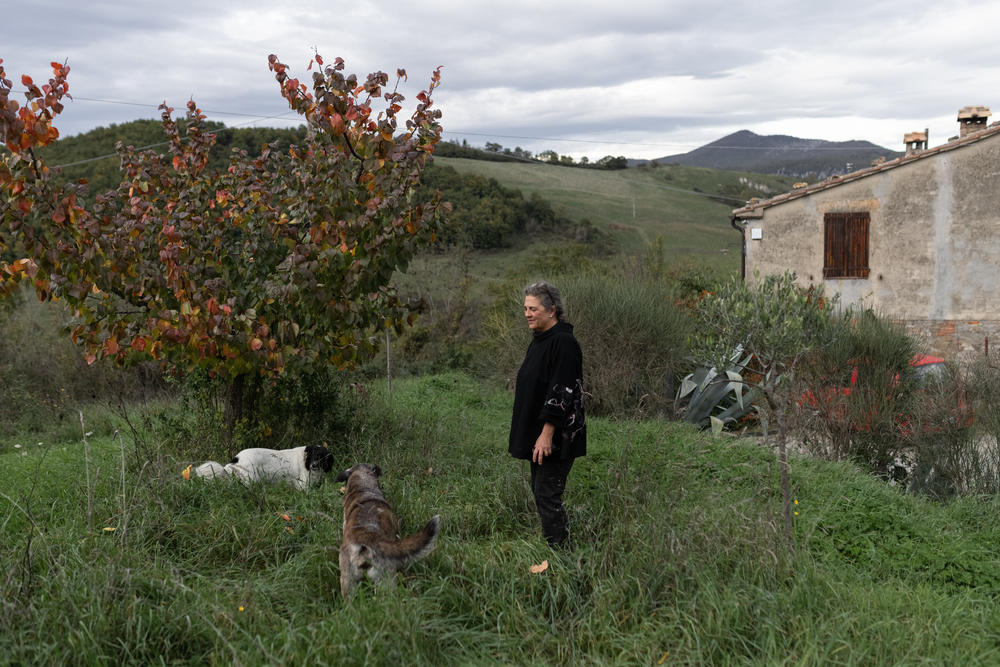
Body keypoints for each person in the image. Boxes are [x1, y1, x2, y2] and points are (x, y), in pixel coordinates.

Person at [509, 281, 586, 548]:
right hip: (540, 436)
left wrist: (546, 435)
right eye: (525, 308)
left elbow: (562, 392)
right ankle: (555, 548)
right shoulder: (541, 341)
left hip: (555, 438)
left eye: (533, 309)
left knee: (547, 494)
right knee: (541, 492)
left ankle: (561, 553)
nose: (527, 314)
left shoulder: (564, 343)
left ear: (551, 310)